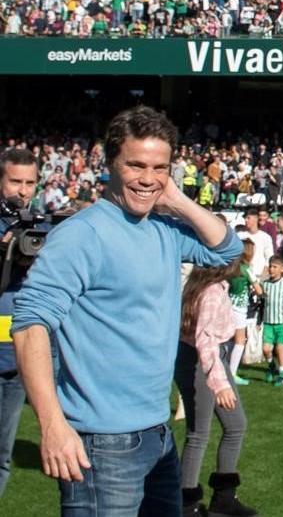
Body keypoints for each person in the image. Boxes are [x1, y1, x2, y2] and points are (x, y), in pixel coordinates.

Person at [12, 105, 243, 516]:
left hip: (157, 433)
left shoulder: (164, 227)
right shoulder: (81, 235)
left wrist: (175, 197)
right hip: (101, 441)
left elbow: (227, 248)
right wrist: (51, 425)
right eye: (136, 165)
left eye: (160, 167)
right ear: (110, 163)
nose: (148, 178)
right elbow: (30, 326)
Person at [175, 261, 257, 517]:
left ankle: (224, 500)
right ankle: (186, 506)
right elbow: (205, 341)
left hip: (211, 358)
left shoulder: (210, 287)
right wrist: (219, 384)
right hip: (200, 360)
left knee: (236, 425)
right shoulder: (209, 291)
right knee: (198, 434)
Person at [0, 147, 38, 497]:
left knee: (2, 457)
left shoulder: (40, 226)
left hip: (16, 356)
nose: (22, 190)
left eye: (29, 182)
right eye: (15, 181)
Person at [225, 241, 260, 388]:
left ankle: (224, 368)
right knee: (240, 340)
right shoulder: (246, 269)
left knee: (227, 338)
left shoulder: (231, 267)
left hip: (228, 304)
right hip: (240, 308)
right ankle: (231, 373)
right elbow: (258, 290)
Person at [258, 256, 283, 387]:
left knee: (280, 348)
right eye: (270, 266)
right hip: (268, 322)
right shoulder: (265, 284)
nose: (271, 269)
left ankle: (282, 376)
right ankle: (271, 366)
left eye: (275, 267)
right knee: (266, 349)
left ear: (282, 269)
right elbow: (262, 303)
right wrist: (259, 321)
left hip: (282, 323)